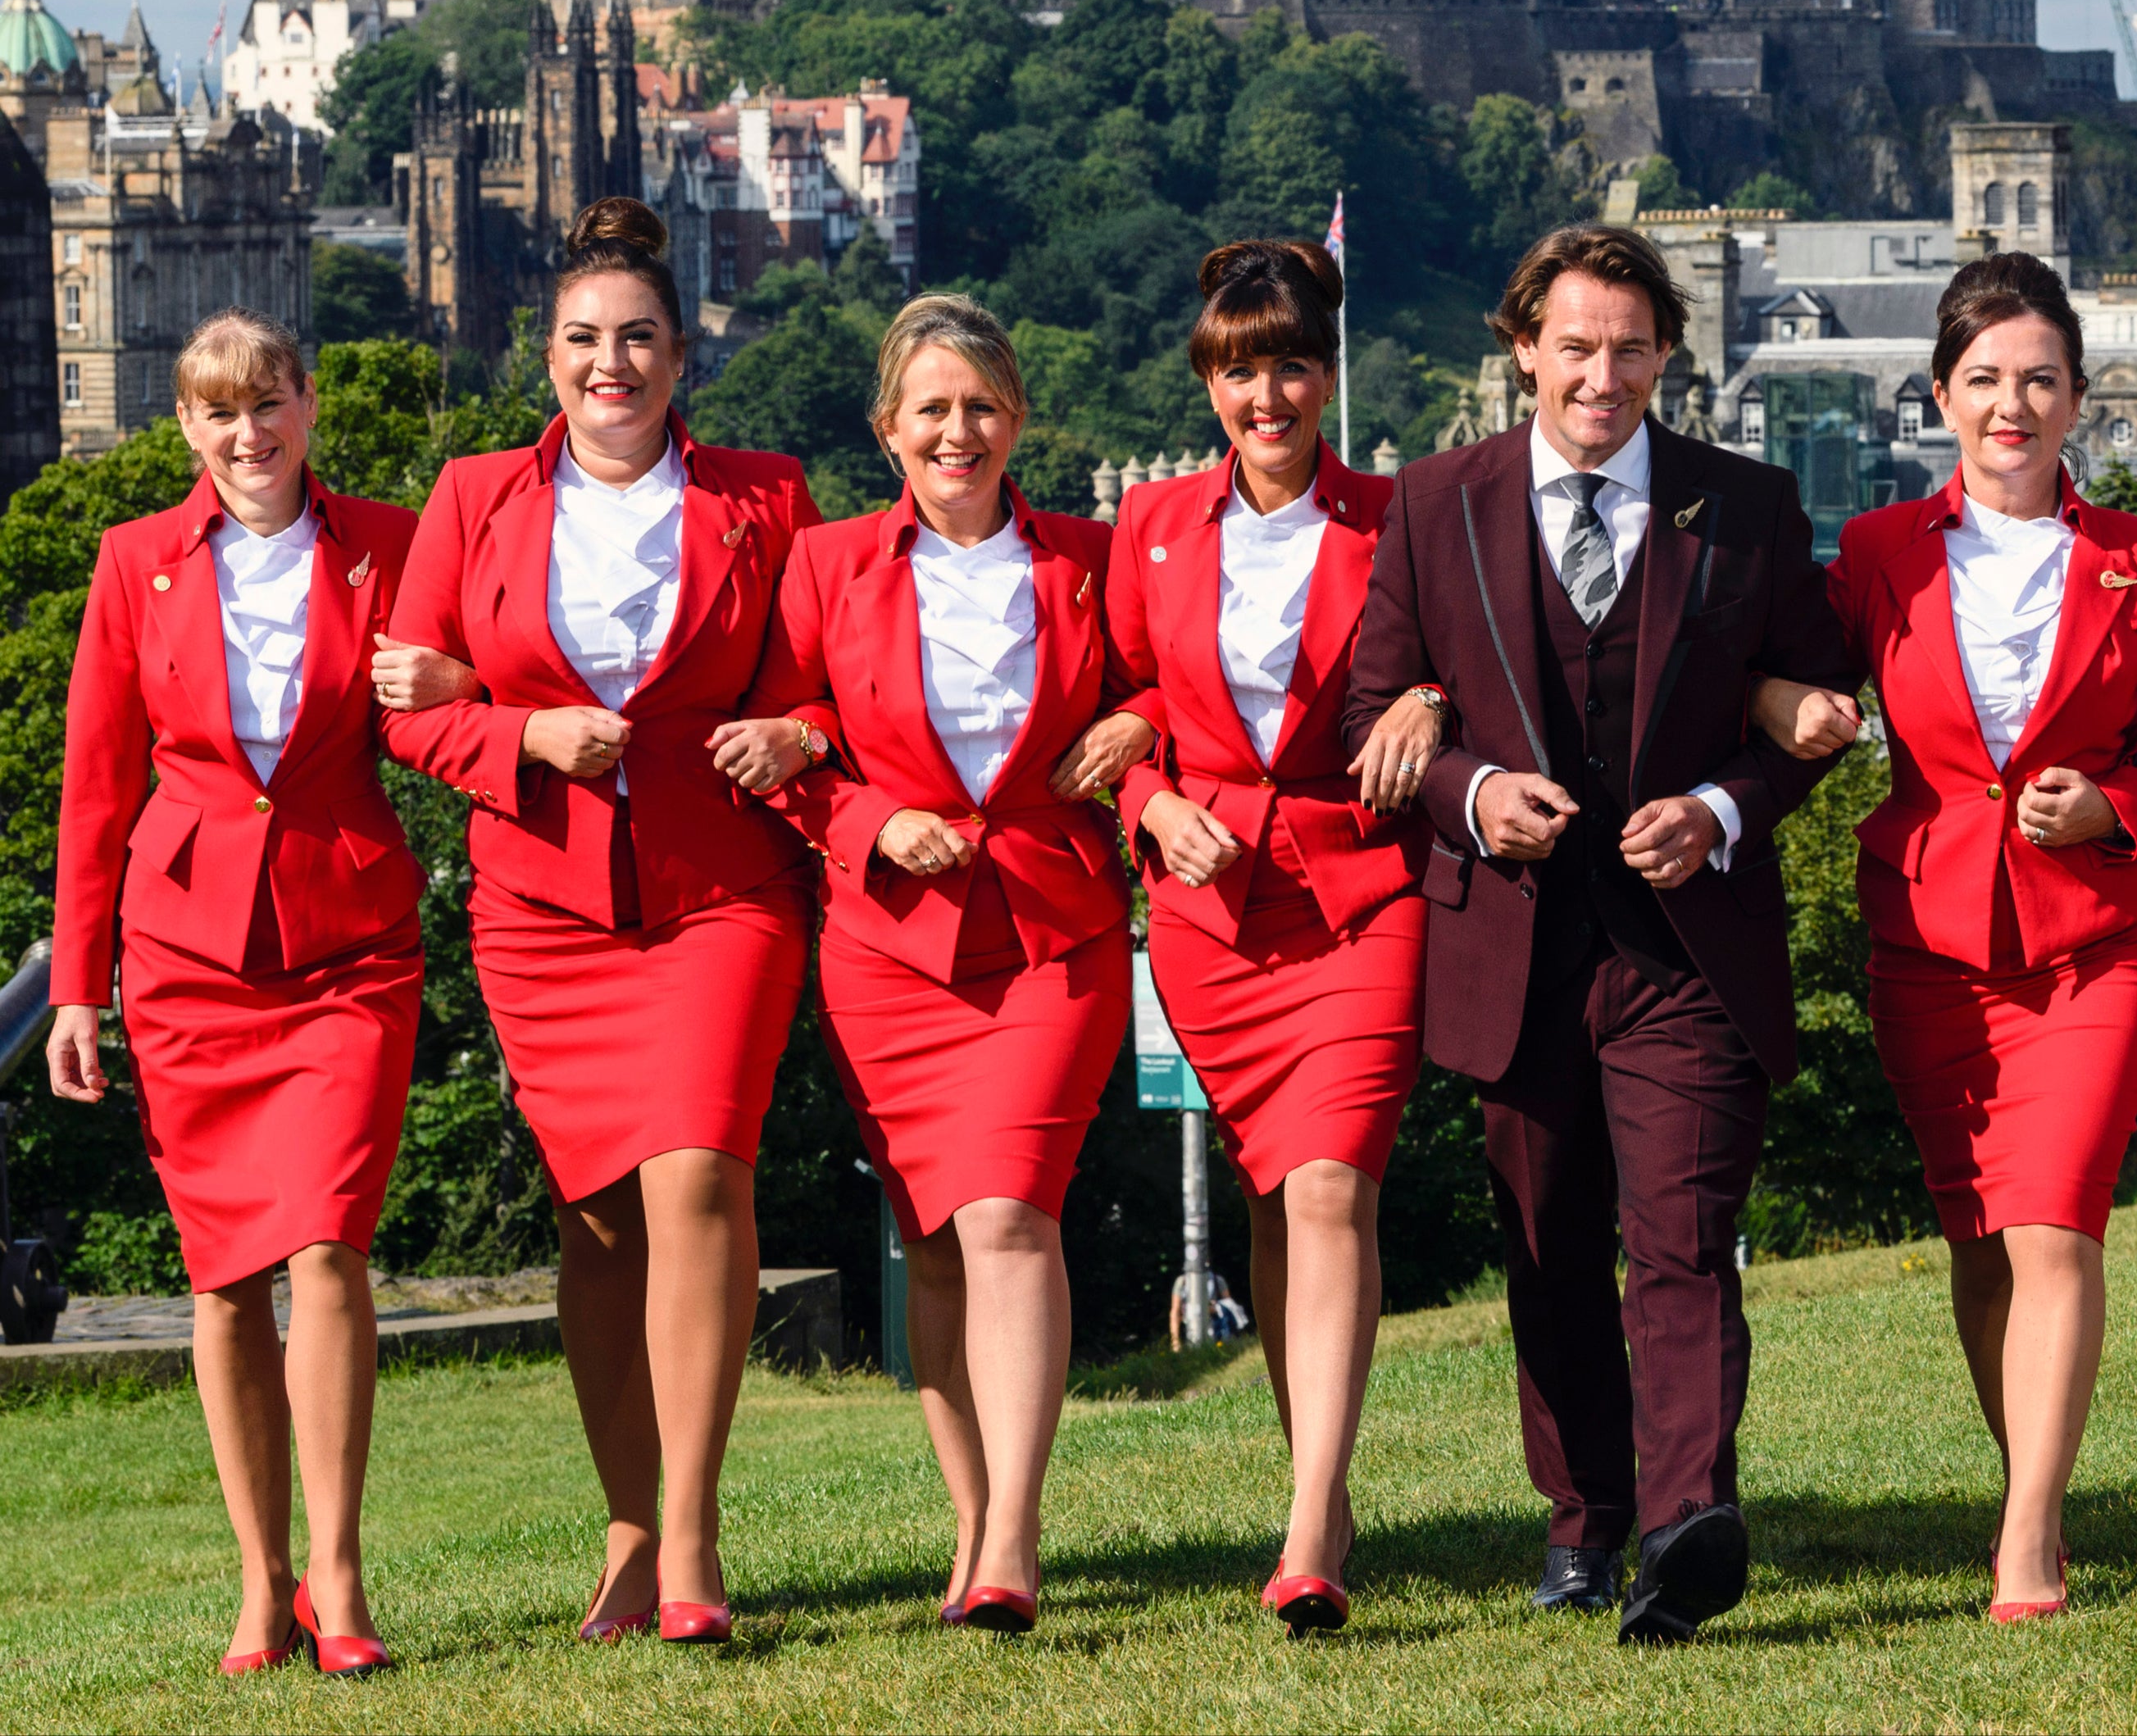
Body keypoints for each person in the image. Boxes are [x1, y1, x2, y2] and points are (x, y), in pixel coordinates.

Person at [1343, 224, 1857, 1645]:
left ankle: (1690, 1525)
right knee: (1551, 1245)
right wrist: (1469, 790)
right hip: (1507, 945)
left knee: (1682, 1235)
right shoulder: (1434, 499)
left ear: (1667, 357)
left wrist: (1721, 807)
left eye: (1631, 348)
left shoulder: (1744, 507)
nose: (1603, 374)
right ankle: (1584, 1521)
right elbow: (1365, 713)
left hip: (1687, 949)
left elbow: (1816, 704)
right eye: (1576, 345)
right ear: (1524, 350)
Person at [1746, 252, 2137, 1620]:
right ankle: (2032, 1474)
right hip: (1932, 941)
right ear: (1939, 398)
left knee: (2055, 1222)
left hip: (2100, 940)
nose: (2011, 404)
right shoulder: (1879, 555)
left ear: (2079, 397)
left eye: (2039, 379)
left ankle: (2027, 1536)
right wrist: (1797, 703)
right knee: (1978, 1234)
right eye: (1984, 380)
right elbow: (1793, 677)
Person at [373, 199, 819, 1645]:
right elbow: (415, 721)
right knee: (601, 1222)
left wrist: (797, 735)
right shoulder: (473, 496)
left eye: (638, 337)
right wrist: (521, 739)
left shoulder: (767, 495)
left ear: (684, 353)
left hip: (722, 891)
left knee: (699, 1175)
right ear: (546, 353)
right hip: (542, 905)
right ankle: (627, 1522)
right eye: (583, 339)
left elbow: (829, 685)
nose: (609, 362)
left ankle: (692, 1534)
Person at [739, 292, 1155, 1635]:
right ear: (887, 430)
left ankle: (1018, 1539)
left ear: (1019, 418)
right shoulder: (824, 565)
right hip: (889, 948)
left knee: (1010, 1214)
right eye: (932, 409)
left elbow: (1172, 680)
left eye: (981, 405)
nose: (957, 430)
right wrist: (866, 815)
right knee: (931, 1238)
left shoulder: (1095, 556)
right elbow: (785, 736)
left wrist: (1138, 720)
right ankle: (970, 1521)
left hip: (1054, 926)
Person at [44, 311, 449, 1678]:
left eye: (266, 401)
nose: (246, 432)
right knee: (223, 1275)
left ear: (309, 404)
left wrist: (452, 678)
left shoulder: (391, 543)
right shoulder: (130, 565)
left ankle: (340, 1579)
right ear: (184, 429)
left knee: (331, 1240)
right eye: (218, 411)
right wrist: (76, 986)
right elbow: (96, 783)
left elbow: (469, 693)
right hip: (183, 957)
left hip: (348, 937)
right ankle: (259, 1581)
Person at [1103, 242, 1451, 1636]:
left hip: (1364, 894)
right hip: (1210, 915)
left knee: (1328, 1191)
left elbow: (1470, 652)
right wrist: (1147, 801)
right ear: (1209, 377)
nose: (1268, 392)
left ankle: (1310, 1526)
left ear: (1329, 374)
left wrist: (1431, 694)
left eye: (1292, 363)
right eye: (1241, 367)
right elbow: (1122, 693)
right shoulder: (1151, 525)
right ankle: (1321, 1479)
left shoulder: (1405, 515)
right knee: (1269, 1193)